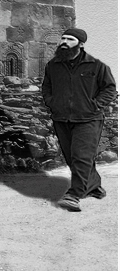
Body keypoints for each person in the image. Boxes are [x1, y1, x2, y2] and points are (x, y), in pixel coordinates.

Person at [41, 28, 116, 212]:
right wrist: (52, 103)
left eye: (70, 39)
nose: (64, 42)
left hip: (89, 118)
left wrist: (95, 105)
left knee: (81, 156)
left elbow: (110, 89)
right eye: (63, 38)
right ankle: (93, 185)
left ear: (81, 44)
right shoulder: (53, 66)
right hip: (61, 118)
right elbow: (46, 87)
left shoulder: (97, 66)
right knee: (71, 157)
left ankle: (74, 195)